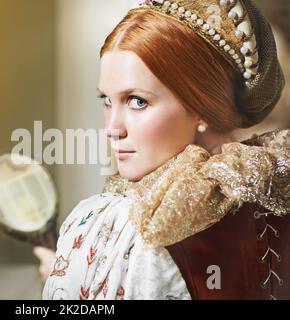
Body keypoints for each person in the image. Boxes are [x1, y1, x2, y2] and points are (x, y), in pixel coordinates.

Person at [34, 0, 289, 300]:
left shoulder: (132, 225)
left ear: (200, 105)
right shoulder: (275, 183)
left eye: (137, 101)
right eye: (106, 100)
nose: (112, 128)